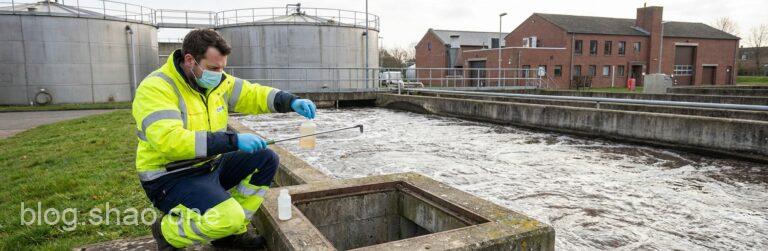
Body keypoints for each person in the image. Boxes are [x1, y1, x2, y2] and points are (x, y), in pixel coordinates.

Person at [131, 29, 316, 250]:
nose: (219, 74)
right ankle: (166, 231)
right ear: (190, 60)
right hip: (169, 176)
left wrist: (291, 101)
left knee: (266, 158)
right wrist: (233, 141)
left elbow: (252, 93)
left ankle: (230, 234)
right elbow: (170, 141)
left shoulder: (218, 82)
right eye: (213, 68)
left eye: (222, 68)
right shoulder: (156, 88)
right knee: (228, 216)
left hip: (209, 165)